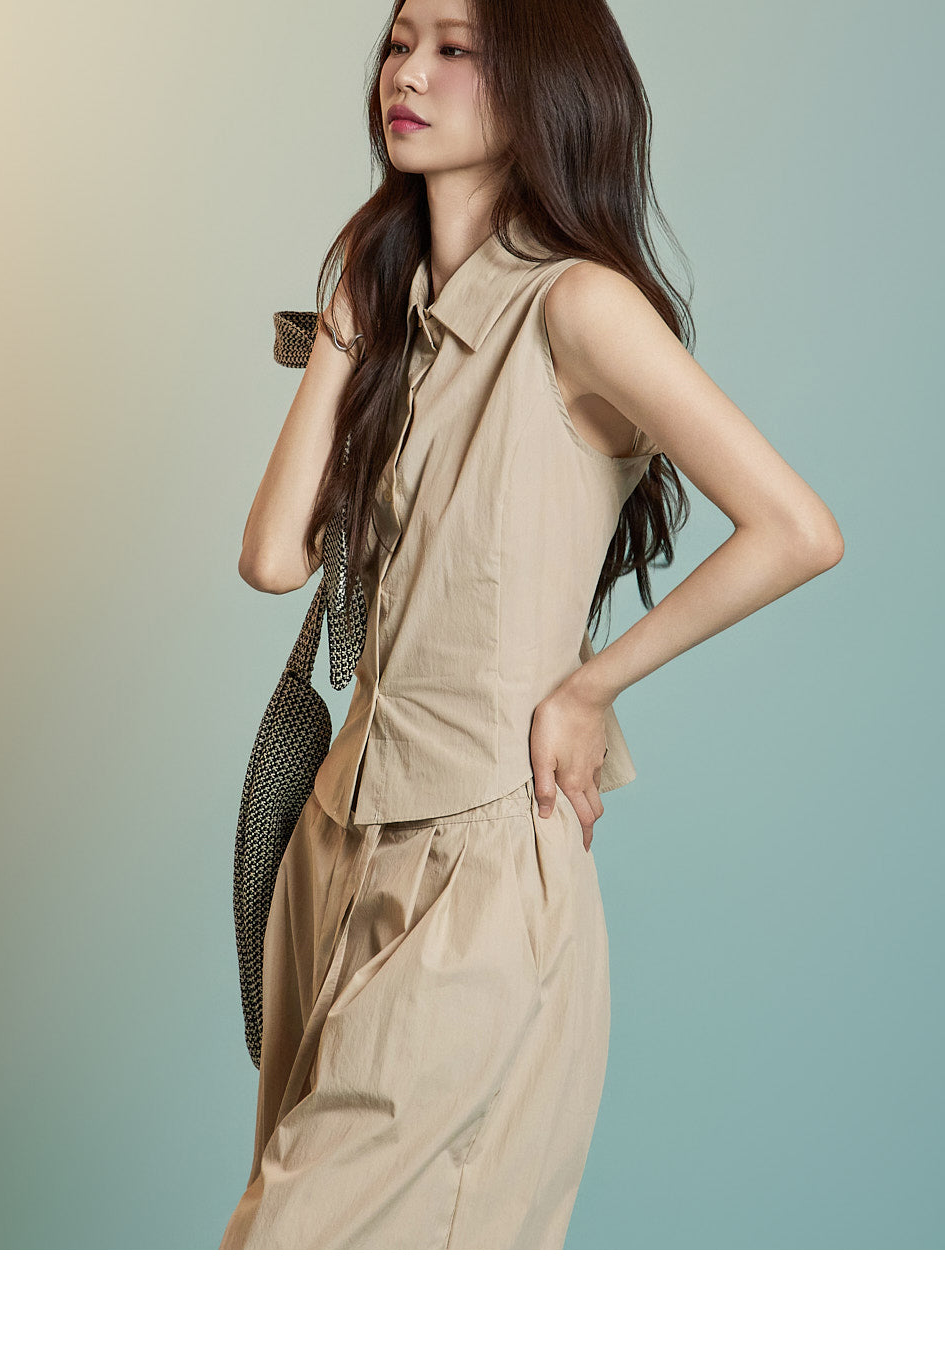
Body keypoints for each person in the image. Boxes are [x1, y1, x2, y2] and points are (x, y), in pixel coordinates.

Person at [219, 0, 844, 1250]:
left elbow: (795, 527)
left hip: (480, 862)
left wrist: (588, 689)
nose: (409, 73)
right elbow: (273, 559)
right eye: (401, 42)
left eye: (456, 48)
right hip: (333, 849)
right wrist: (350, 311)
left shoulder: (575, 306)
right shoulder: (395, 313)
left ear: (541, 85)